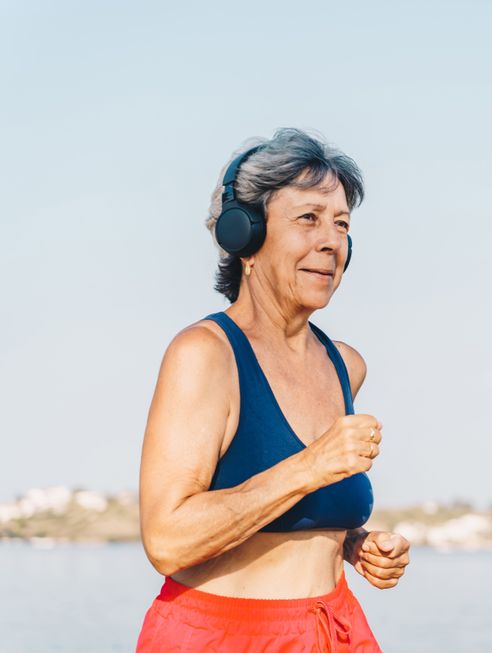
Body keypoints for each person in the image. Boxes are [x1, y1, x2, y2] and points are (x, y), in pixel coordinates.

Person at [135, 128, 410, 652]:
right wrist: (311, 467)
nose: (330, 241)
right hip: (224, 636)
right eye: (308, 218)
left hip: (336, 629)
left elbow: (281, 518)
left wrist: (354, 545)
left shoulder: (344, 365)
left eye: (341, 224)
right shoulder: (206, 355)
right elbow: (168, 541)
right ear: (246, 236)